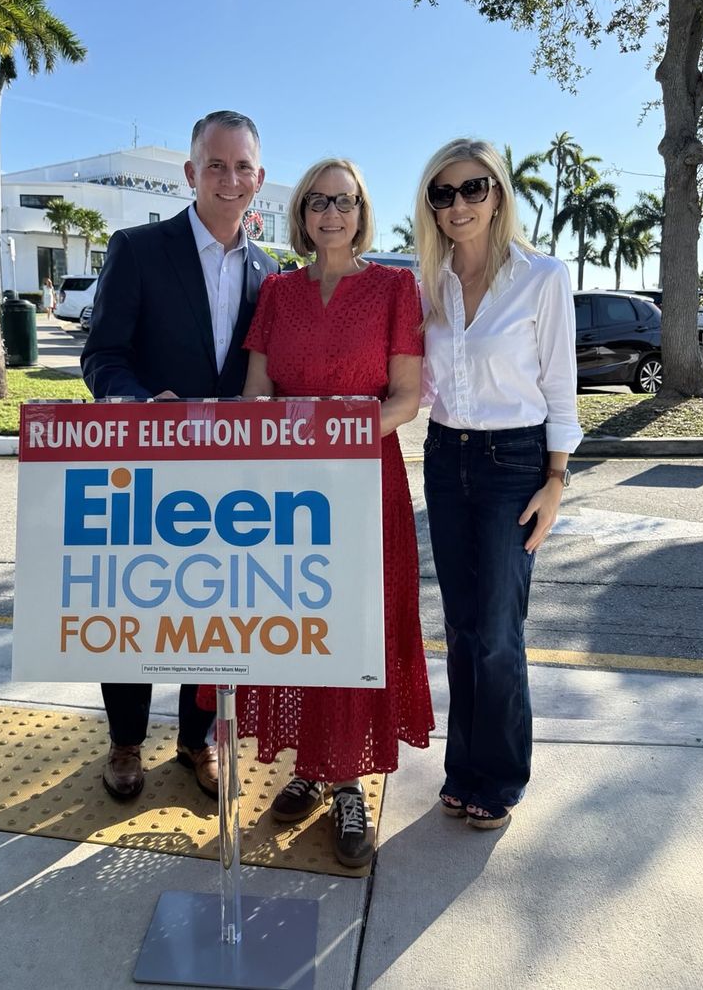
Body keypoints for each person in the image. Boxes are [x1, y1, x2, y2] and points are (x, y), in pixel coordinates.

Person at [222, 157, 434, 868]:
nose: (329, 214)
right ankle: (309, 768)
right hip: (286, 491)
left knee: (352, 631)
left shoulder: (393, 287)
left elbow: (404, 398)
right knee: (297, 626)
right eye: (316, 202)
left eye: (342, 201)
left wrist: (331, 433)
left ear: (360, 210)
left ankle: (348, 783)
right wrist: (283, 437)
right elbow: (256, 391)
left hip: (363, 486)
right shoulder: (278, 293)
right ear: (302, 214)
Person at [81, 110, 279, 802]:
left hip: (231, 480)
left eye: (243, 166)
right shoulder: (137, 249)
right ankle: (126, 741)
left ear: (259, 177)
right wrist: (138, 405)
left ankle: (196, 743)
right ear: (192, 174)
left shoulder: (270, 272)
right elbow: (101, 356)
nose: (230, 180)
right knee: (137, 607)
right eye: (216, 166)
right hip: (147, 469)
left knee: (214, 607)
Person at [415, 138, 582, 830]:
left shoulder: (541, 278)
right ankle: (463, 769)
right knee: (459, 629)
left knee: (495, 630)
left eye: (472, 188)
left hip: (512, 463)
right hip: (443, 456)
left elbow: (559, 386)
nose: (458, 204)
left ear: (497, 194)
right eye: (443, 193)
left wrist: (555, 479)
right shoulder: (428, 281)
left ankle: (501, 776)